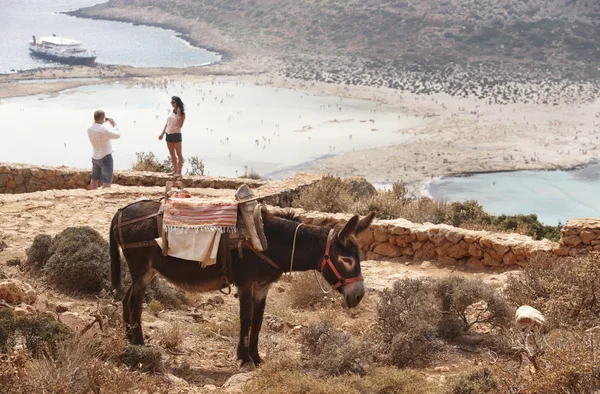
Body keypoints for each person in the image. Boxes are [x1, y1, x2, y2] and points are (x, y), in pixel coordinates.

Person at [87, 110, 120, 189]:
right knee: (107, 180)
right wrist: (114, 125)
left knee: (94, 178)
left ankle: (93, 195)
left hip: (95, 156)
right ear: (102, 118)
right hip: (105, 156)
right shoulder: (103, 129)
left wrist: (101, 122)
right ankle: (105, 196)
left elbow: (96, 125)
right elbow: (117, 135)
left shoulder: (89, 127)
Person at [159, 96, 186, 176]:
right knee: (172, 153)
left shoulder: (182, 114)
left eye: (173, 102)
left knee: (179, 153)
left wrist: (178, 114)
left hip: (176, 134)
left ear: (177, 103)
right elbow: (167, 123)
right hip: (168, 134)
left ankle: (179, 171)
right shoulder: (170, 111)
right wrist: (162, 133)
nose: (171, 103)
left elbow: (179, 125)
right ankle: (174, 170)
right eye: (171, 102)